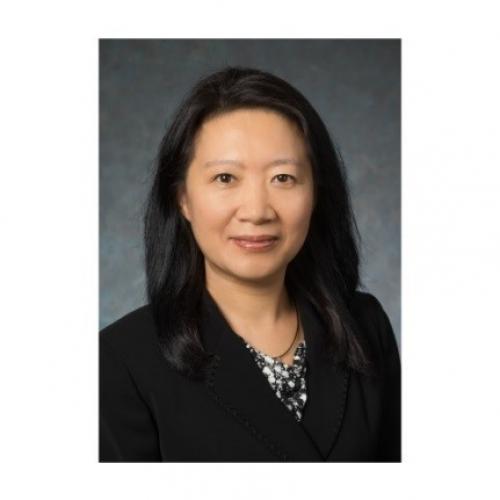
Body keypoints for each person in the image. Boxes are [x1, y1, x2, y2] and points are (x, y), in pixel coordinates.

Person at [99, 66, 401, 462]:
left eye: (283, 178)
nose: (257, 211)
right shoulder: (121, 360)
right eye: (225, 178)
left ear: (316, 192)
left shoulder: (365, 325)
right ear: (182, 198)